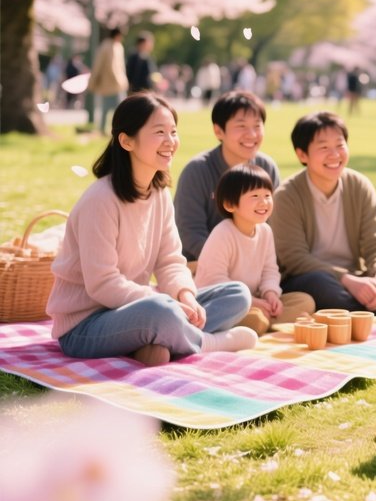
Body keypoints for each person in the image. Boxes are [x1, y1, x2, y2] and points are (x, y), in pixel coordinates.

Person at [46, 93, 257, 367]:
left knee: (237, 294)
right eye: (159, 132)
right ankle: (207, 342)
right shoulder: (100, 200)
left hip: (135, 309)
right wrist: (162, 301)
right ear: (127, 141)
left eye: (173, 131)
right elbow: (102, 284)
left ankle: (154, 343)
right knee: (160, 311)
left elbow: (170, 261)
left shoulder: (158, 195)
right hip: (85, 326)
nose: (170, 141)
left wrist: (185, 295)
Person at [271, 111, 376, 317]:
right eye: (323, 148)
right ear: (302, 154)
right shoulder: (287, 196)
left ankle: (355, 310)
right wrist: (347, 280)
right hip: (312, 279)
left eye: (340, 145)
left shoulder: (359, 185)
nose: (334, 154)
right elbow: (295, 258)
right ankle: (366, 310)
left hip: (357, 280)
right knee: (319, 285)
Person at [194, 164, 315, 335]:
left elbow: (270, 270)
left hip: (257, 300)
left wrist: (271, 294)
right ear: (230, 204)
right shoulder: (223, 233)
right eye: (255, 196)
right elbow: (216, 281)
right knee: (256, 319)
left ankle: (267, 322)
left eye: (267, 195)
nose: (263, 202)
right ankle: (266, 323)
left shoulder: (265, 231)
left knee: (305, 301)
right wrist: (253, 302)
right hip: (223, 302)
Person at [174, 90, 280, 262]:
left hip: (256, 265)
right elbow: (191, 233)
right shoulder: (197, 171)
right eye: (241, 126)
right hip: (203, 266)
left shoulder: (267, 167)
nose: (251, 134)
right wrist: (232, 262)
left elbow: (273, 226)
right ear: (218, 131)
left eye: (257, 126)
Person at [88, 28, 128, 133]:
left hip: (110, 84)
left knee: (109, 109)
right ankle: (111, 130)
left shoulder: (115, 46)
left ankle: (107, 129)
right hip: (113, 84)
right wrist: (121, 81)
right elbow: (112, 67)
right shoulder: (109, 47)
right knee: (116, 109)